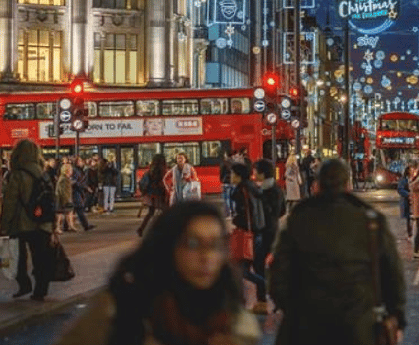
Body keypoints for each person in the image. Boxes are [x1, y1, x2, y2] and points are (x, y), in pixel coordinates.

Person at [55, 201, 261, 345]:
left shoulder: (237, 324)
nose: (206, 256)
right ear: (168, 247)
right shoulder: (116, 313)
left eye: (215, 244)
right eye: (192, 243)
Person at [269, 158, 406, 345]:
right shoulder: (371, 221)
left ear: (317, 185)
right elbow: (393, 275)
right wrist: (396, 315)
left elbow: (278, 274)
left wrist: (292, 307)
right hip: (357, 325)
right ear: (348, 184)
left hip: (306, 326)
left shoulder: (298, 220)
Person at [0, 139, 55, 301]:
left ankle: (24, 283)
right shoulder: (44, 173)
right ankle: (41, 289)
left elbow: (10, 201)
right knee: (40, 257)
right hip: (43, 222)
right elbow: (52, 200)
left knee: (18, 256)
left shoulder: (17, 175)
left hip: (22, 223)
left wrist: (4, 224)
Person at [252, 158, 285, 313]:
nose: (253, 175)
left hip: (264, 232)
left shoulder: (265, 191)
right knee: (270, 266)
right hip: (273, 231)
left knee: (259, 265)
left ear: (262, 173)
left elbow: (269, 210)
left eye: (255, 172)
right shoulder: (277, 189)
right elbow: (282, 211)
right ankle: (276, 298)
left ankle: (263, 299)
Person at [230, 163, 265, 307]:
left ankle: (268, 287)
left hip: (246, 233)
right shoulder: (253, 187)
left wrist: (235, 219)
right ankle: (253, 298)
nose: (230, 176)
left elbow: (245, 214)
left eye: (232, 174)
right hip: (257, 232)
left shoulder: (241, 190)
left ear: (238, 176)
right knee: (251, 267)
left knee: (241, 270)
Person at [137, 154, 168, 237]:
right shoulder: (160, 169)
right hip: (158, 193)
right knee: (165, 211)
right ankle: (162, 229)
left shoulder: (151, 168)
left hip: (151, 193)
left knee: (151, 212)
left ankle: (141, 228)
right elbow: (160, 181)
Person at [71, 158, 95, 231]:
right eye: (81, 161)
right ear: (77, 162)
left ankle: (68, 225)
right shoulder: (75, 171)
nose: (82, 162)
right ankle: (85, 225)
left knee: (75, 210)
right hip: (76, 192)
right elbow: (75, 182)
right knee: (79, 209)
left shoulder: (80, 170)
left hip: (79, 191)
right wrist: (85, 187)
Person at [55, 163, 77, 233]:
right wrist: (66, 200)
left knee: (69, 212)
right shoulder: (64, 179)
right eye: (70, 170)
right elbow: (62, 191)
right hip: (62, 199)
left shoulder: (66, 178)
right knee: (59, 214)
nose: (72, 171)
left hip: (65, 198)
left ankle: (70, 226)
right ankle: (57, 227)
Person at [396, 164, 412, 238]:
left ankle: (411, 233)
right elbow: (400, 189)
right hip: (407, 201)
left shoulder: (413, 179)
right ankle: (409, 233)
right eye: (411, 170)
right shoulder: (403, 179)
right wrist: (408, 194)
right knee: (408, 218)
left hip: (412, 201)